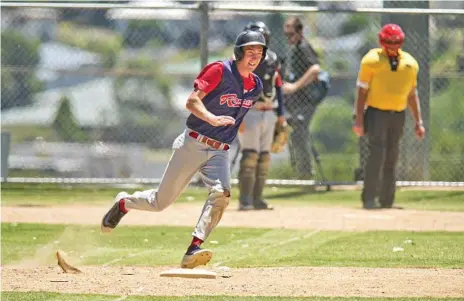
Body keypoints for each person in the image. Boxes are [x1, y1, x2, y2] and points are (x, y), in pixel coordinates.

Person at [101, 30, 267, 268]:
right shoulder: (219, 70)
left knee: (222, 194)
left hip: (220, 151)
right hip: (194, 143)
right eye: (250, 52)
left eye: (259, 52)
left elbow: (237, 116)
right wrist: (211, 118)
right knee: (160, 203)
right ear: (239, 52)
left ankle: (193, 249)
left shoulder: (255, 85)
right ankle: (124, 203)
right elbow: (191, 101)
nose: (255, 57)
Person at [352, 24, 425, 210]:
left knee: (392, 156)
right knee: (377, 155)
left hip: (398, 114)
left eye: (396, 42)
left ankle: (387, 200)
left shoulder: (410, 64)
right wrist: (359, 119)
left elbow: (412, 94)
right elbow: (361, 92)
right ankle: (369, 199)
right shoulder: (371, 60)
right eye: (389, 42)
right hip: (376, 113)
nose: (392, 46)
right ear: (381, 41)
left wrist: (419, 121)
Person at [237, 21, 286, 211]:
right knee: (250, 155)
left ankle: (258, 199)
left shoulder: (273, 59)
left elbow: (279, 86)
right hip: (250, 111)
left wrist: (281, 113)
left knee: (264, 157)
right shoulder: (240, 60)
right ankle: (245, 199)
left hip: (269, 111)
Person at [281, 16, 328, 179]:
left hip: (306, 100)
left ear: (300, 32)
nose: (288, 38)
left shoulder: (303, 47)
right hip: (297, 100)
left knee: (300, 133)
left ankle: (306, 174)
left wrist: (295, 86)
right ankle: (302, 173)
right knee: (296, 133)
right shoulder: (294, 48)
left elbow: (315, 69)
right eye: (285, 35)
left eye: (290, 34)